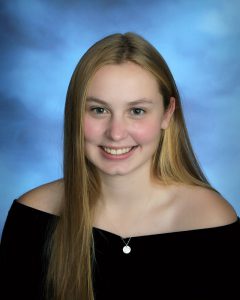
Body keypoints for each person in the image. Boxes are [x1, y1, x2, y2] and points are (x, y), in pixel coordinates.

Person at [0, 32, 239, 300]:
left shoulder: (211, 219)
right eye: (98, 110)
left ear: (167, 114)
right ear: (75, 114)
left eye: (137, 111)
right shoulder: (31, 217)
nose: (115, 133)